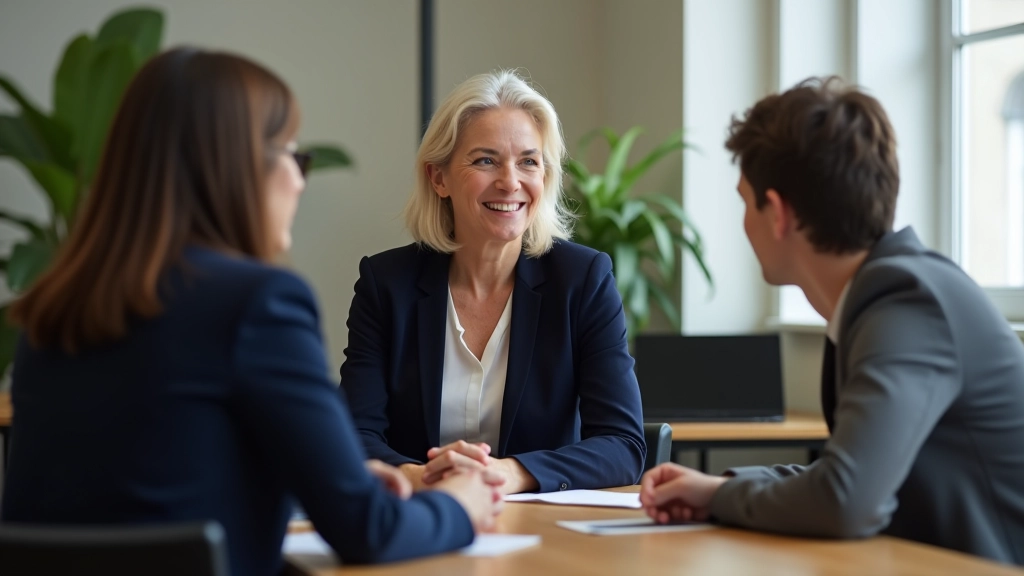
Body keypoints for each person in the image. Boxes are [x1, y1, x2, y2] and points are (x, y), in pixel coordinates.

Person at [1, 48, 502, 576]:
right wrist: (460, 504)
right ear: (236, 166)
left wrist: (327, 485)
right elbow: (368, 532)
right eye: (292, 155)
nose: (299, 180)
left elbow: (149, 492)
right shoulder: (260, 302)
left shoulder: (53, 309)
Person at [639, 77, 1024, 564]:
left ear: (778, 213)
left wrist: (718, 498)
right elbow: (850, 477)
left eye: (744, 200)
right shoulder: (886, 294)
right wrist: (716, 487)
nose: (742, 223)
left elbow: (845, 499)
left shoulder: (907, 302)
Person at [340, 70, 646, 494]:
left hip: (542, 536)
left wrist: (508, 473)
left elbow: (623, 445)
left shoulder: (583, 280)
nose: (510, 181)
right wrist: (425, 477)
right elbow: (354, 437)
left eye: (528, 161)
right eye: (485, 160)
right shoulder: (386, 284)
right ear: (439, 178)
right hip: (421, 521)